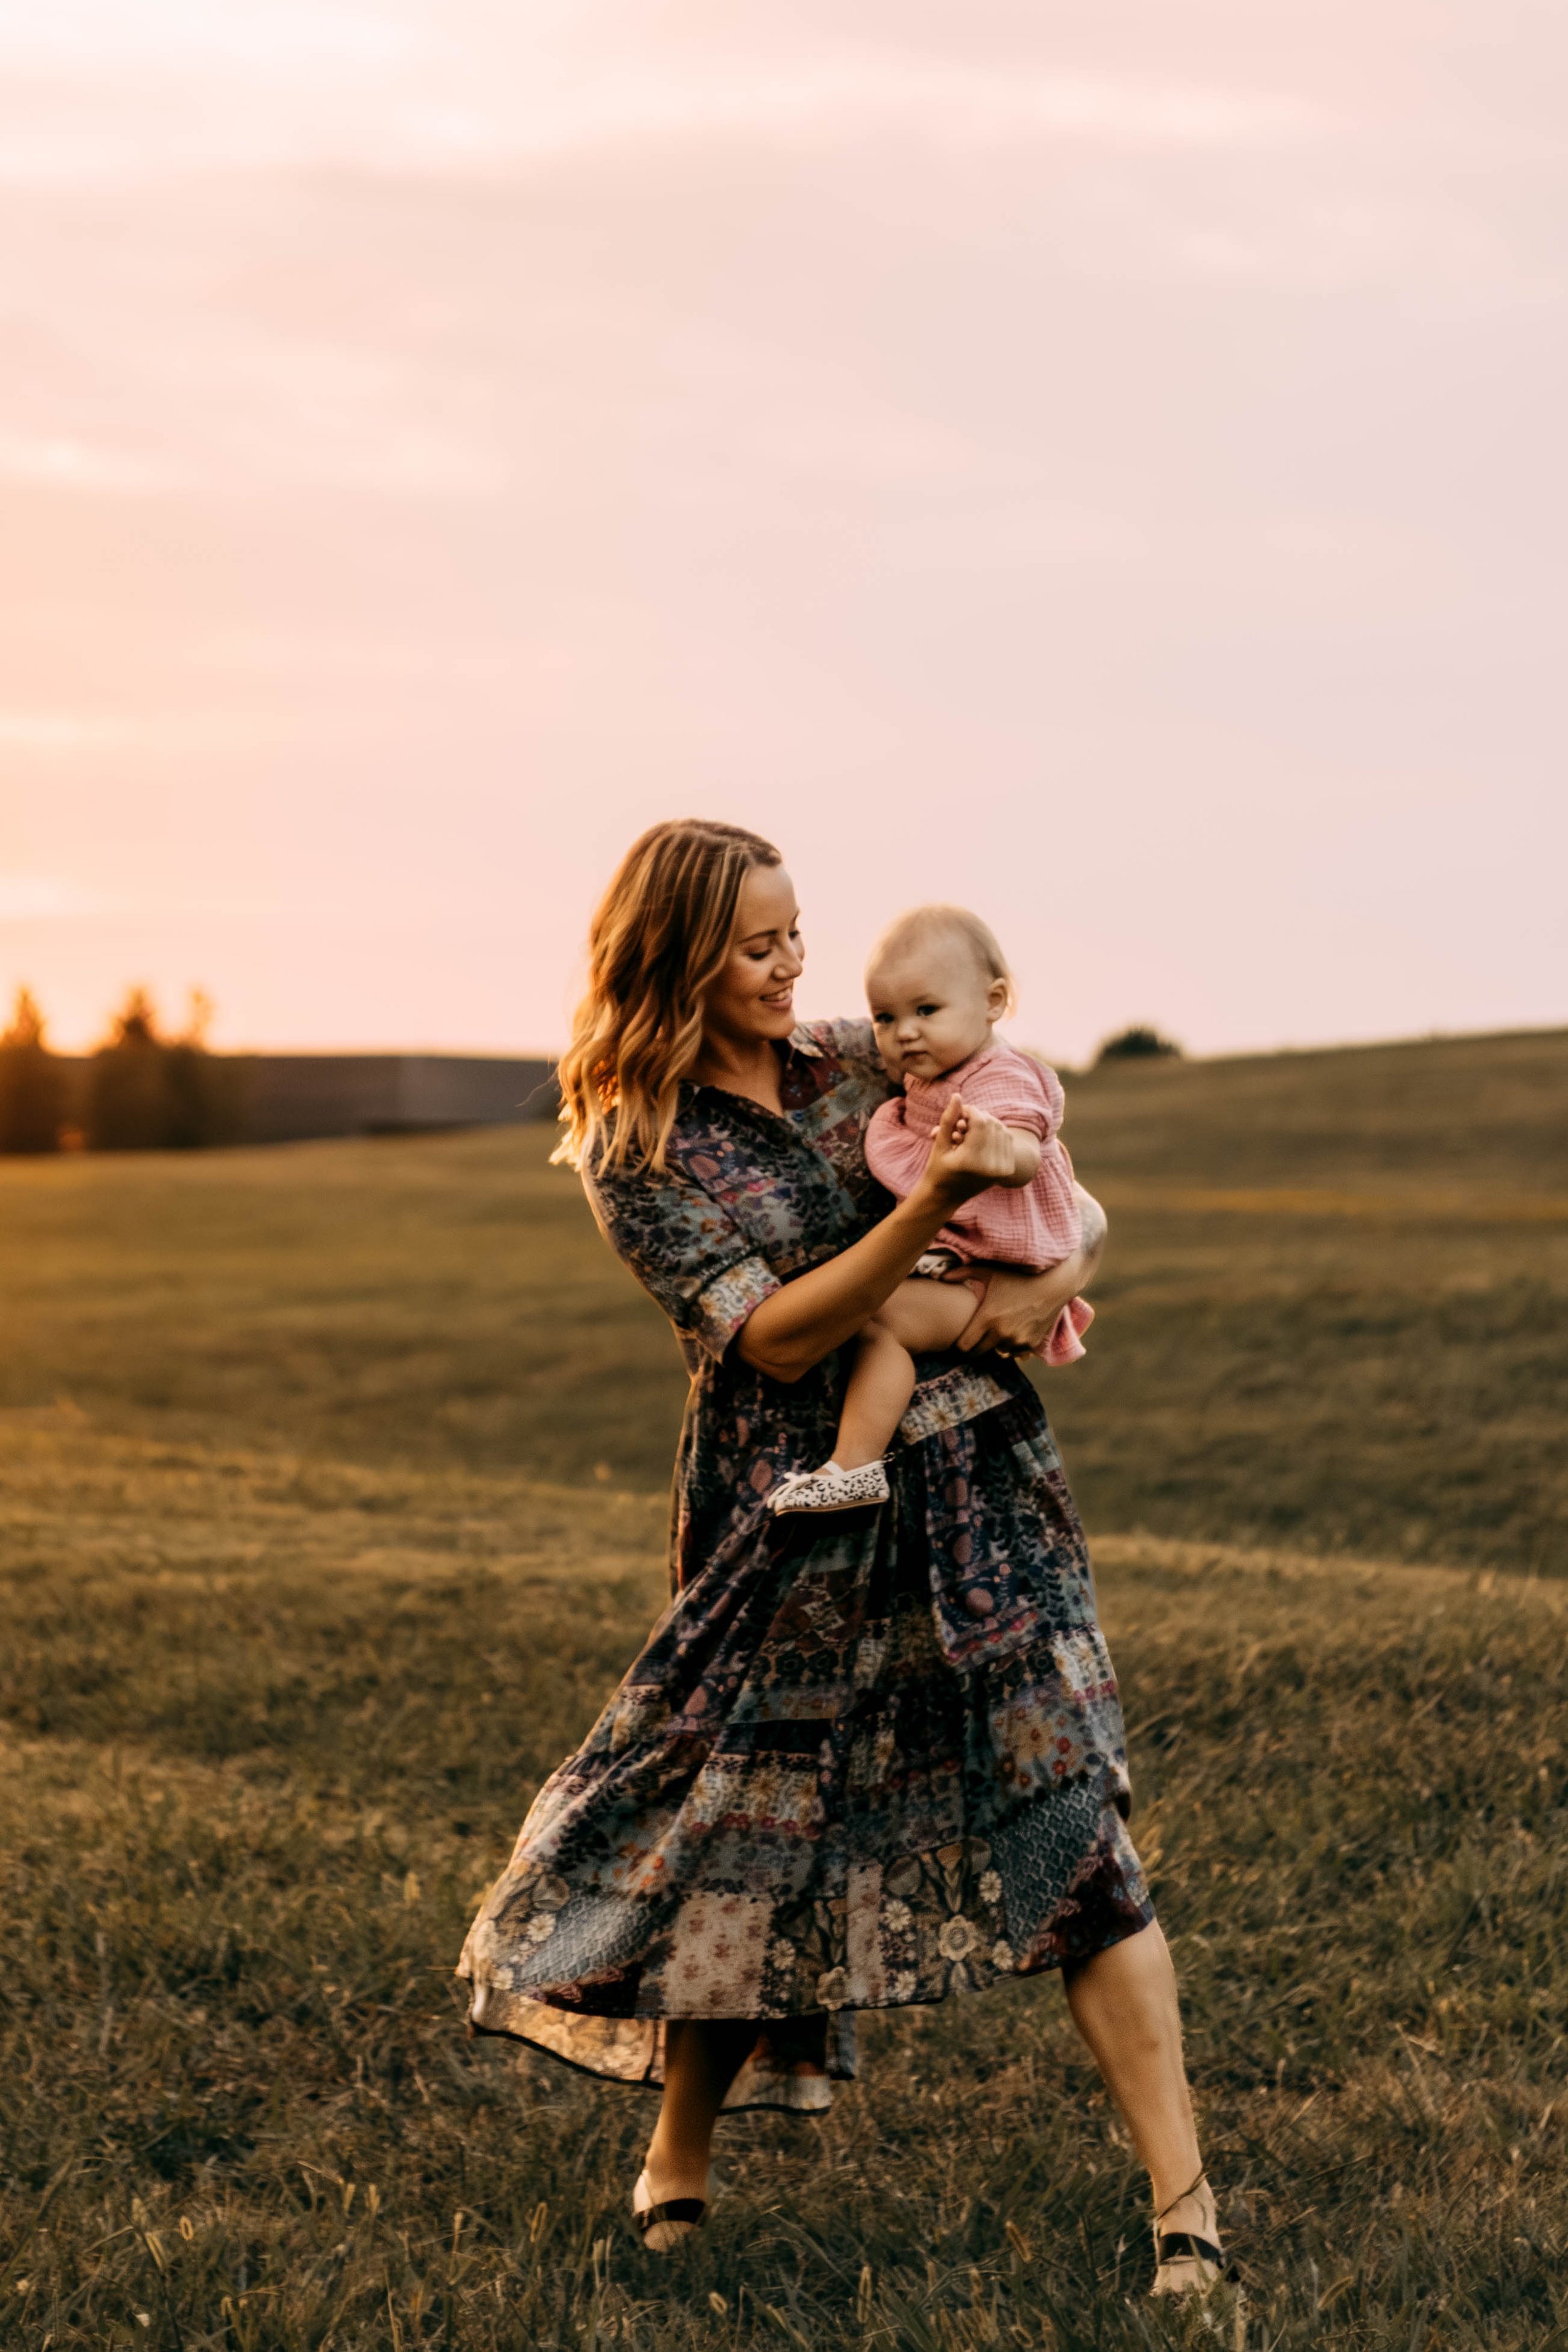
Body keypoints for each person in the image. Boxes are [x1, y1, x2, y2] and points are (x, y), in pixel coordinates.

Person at [457, 818, 1226, 2297]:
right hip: (791, 1504)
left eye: (795, 931)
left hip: (980, 1481)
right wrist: (931, 1216)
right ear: (678, 955)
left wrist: (1063, 1267)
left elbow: (1049, 1178)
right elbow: (781, 1331)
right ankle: (678, 2146)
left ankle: (1184, 2203)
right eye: (756, 944)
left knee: (1073, 1806)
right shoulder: (639, 1146)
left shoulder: (861, 1057)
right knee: (751, 1836)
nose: (793, 964)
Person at [769, 901, 1096, 1517]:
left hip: (993, 1279)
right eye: (885, 1017)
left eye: (926, 1011)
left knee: (876, 1321)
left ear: (993, 1003)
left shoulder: (1000, 1079)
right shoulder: (928, 1071)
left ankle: (855, 1466)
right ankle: (854, 1464)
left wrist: (998, 1153)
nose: (903, 1033)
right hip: (962, 1264)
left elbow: (1028, 1149)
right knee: (872, 1316)